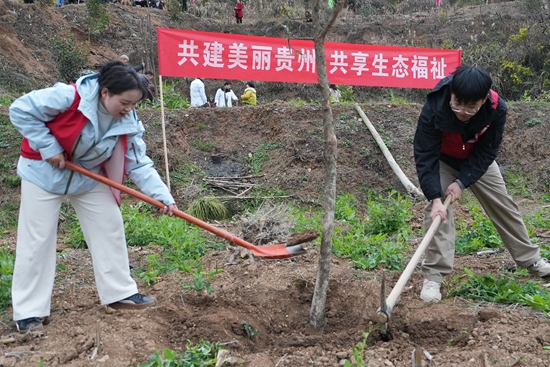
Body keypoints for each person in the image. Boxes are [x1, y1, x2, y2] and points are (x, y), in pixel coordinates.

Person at [9, 61, 178, 334]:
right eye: (124, 102)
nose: (128, 110)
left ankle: (119, 292)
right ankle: (29, 312)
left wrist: (162, 196)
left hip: (87, 175)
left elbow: (138, 162)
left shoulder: (128, 121)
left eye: (134, 105)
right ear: (105, 92)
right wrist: (48, 147)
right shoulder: (68, 96)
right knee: (37, 239)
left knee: (109, 225)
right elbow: (20, 110)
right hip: (42, 173)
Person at [413, 64, 550, 303]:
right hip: (443, 160)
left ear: (484, 99)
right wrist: (436, 197)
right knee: (438, 214)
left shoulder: (497, 109)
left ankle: (530, 260)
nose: (462, 112)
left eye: (470, 107)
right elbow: (425, 153)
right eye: (457, 104)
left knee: (503, 205)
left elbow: (487, 151)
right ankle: (434, 276)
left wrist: (462, 182)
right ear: (451, 93)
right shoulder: (435, 103)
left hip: (477, 161)